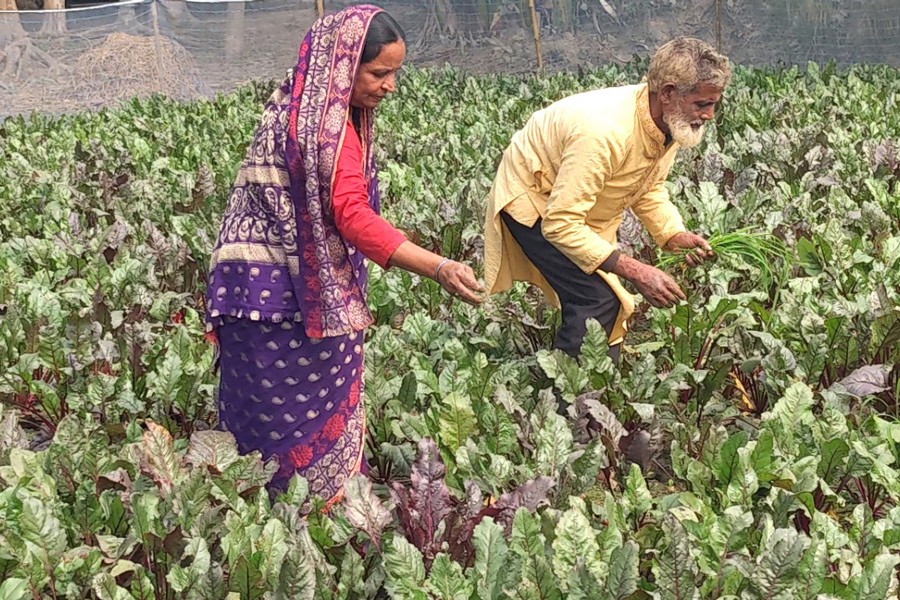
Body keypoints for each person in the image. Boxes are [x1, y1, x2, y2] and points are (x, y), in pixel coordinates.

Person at [204, 5, 482, 507]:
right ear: (341, 68)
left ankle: (268, 502)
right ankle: (298, 507)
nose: (390, 86)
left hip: (251, 288)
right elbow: (351, 215)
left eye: (395, 72)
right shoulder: (323, 135)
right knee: (289, 404)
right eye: (379, 73)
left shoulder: (298, 103)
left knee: (265, 408)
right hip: (276, 302)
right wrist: (438, 267)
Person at [483, 37, 732, 363]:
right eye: (702, 104)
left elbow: (649, 187)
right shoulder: (603, 131)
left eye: (714, 103)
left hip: (576, 207)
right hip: (534, 198)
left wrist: (672, 233)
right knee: (597, 298)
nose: (709, 115)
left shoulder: (666, 122)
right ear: (668, 93)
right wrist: (637, 271)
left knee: (602, 297)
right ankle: (571, 400)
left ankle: (598, 386)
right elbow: (559, 223)